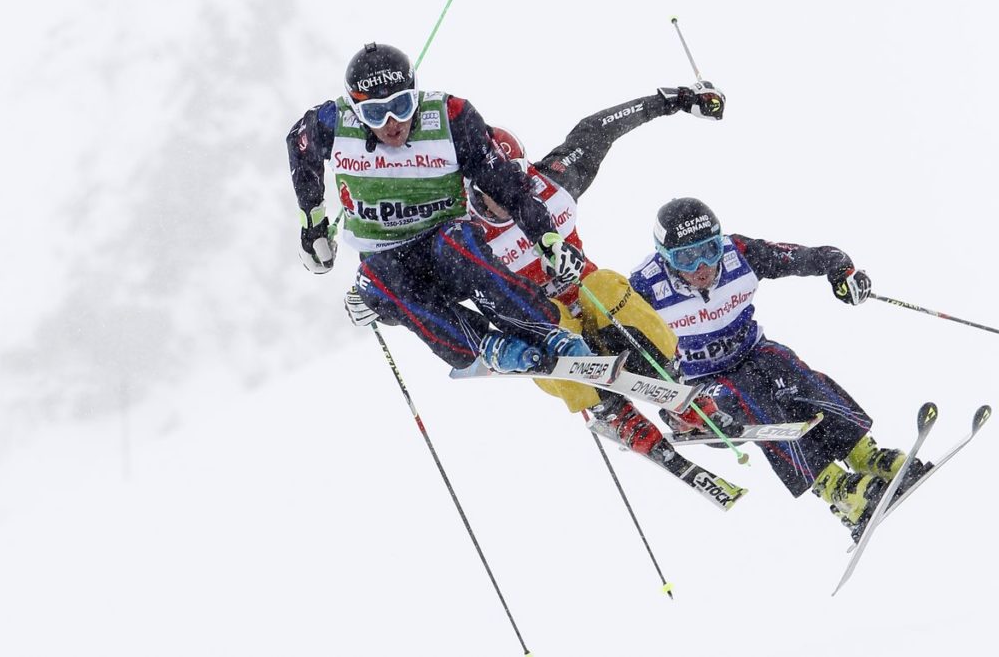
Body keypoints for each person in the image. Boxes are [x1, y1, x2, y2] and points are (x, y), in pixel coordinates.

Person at [347, 86, 736, 492]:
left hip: (598, 310)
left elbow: (596, 131)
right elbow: (413, 290)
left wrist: (674, 99)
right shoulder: (459, 231)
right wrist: (373, 303)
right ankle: (610, 411)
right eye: (486, 192)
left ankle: (679, 392)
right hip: (547, 329)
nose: (500, 201)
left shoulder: (552, 183)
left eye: (512, 183)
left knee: (603, 284)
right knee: (553, 324)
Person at [629, 197, 928, 539]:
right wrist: (667, 402)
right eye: (686, 257)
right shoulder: (644, 288)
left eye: (709, 249)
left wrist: (840, 268)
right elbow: (617, 335)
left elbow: (797, 257)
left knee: (791, 370)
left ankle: (864, 455)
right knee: (749, 396)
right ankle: (836, 488)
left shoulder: (737, 253)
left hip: (753, 350)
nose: (702, 266)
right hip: (701, 384)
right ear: (665, 258)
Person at [287, 42, 591, 373]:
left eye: (402, 106)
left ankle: (544, 331)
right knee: (372, 278)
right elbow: (298, 144)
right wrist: (312, 225)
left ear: (415, 94)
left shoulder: (451, 117)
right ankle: (484, 345)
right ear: (356, 111)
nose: (392, 123)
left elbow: (507, 186)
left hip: (446, 247)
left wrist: (546, 237)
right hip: (393, 265)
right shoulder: (332, 123)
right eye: (376, 113)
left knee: (455, 245)